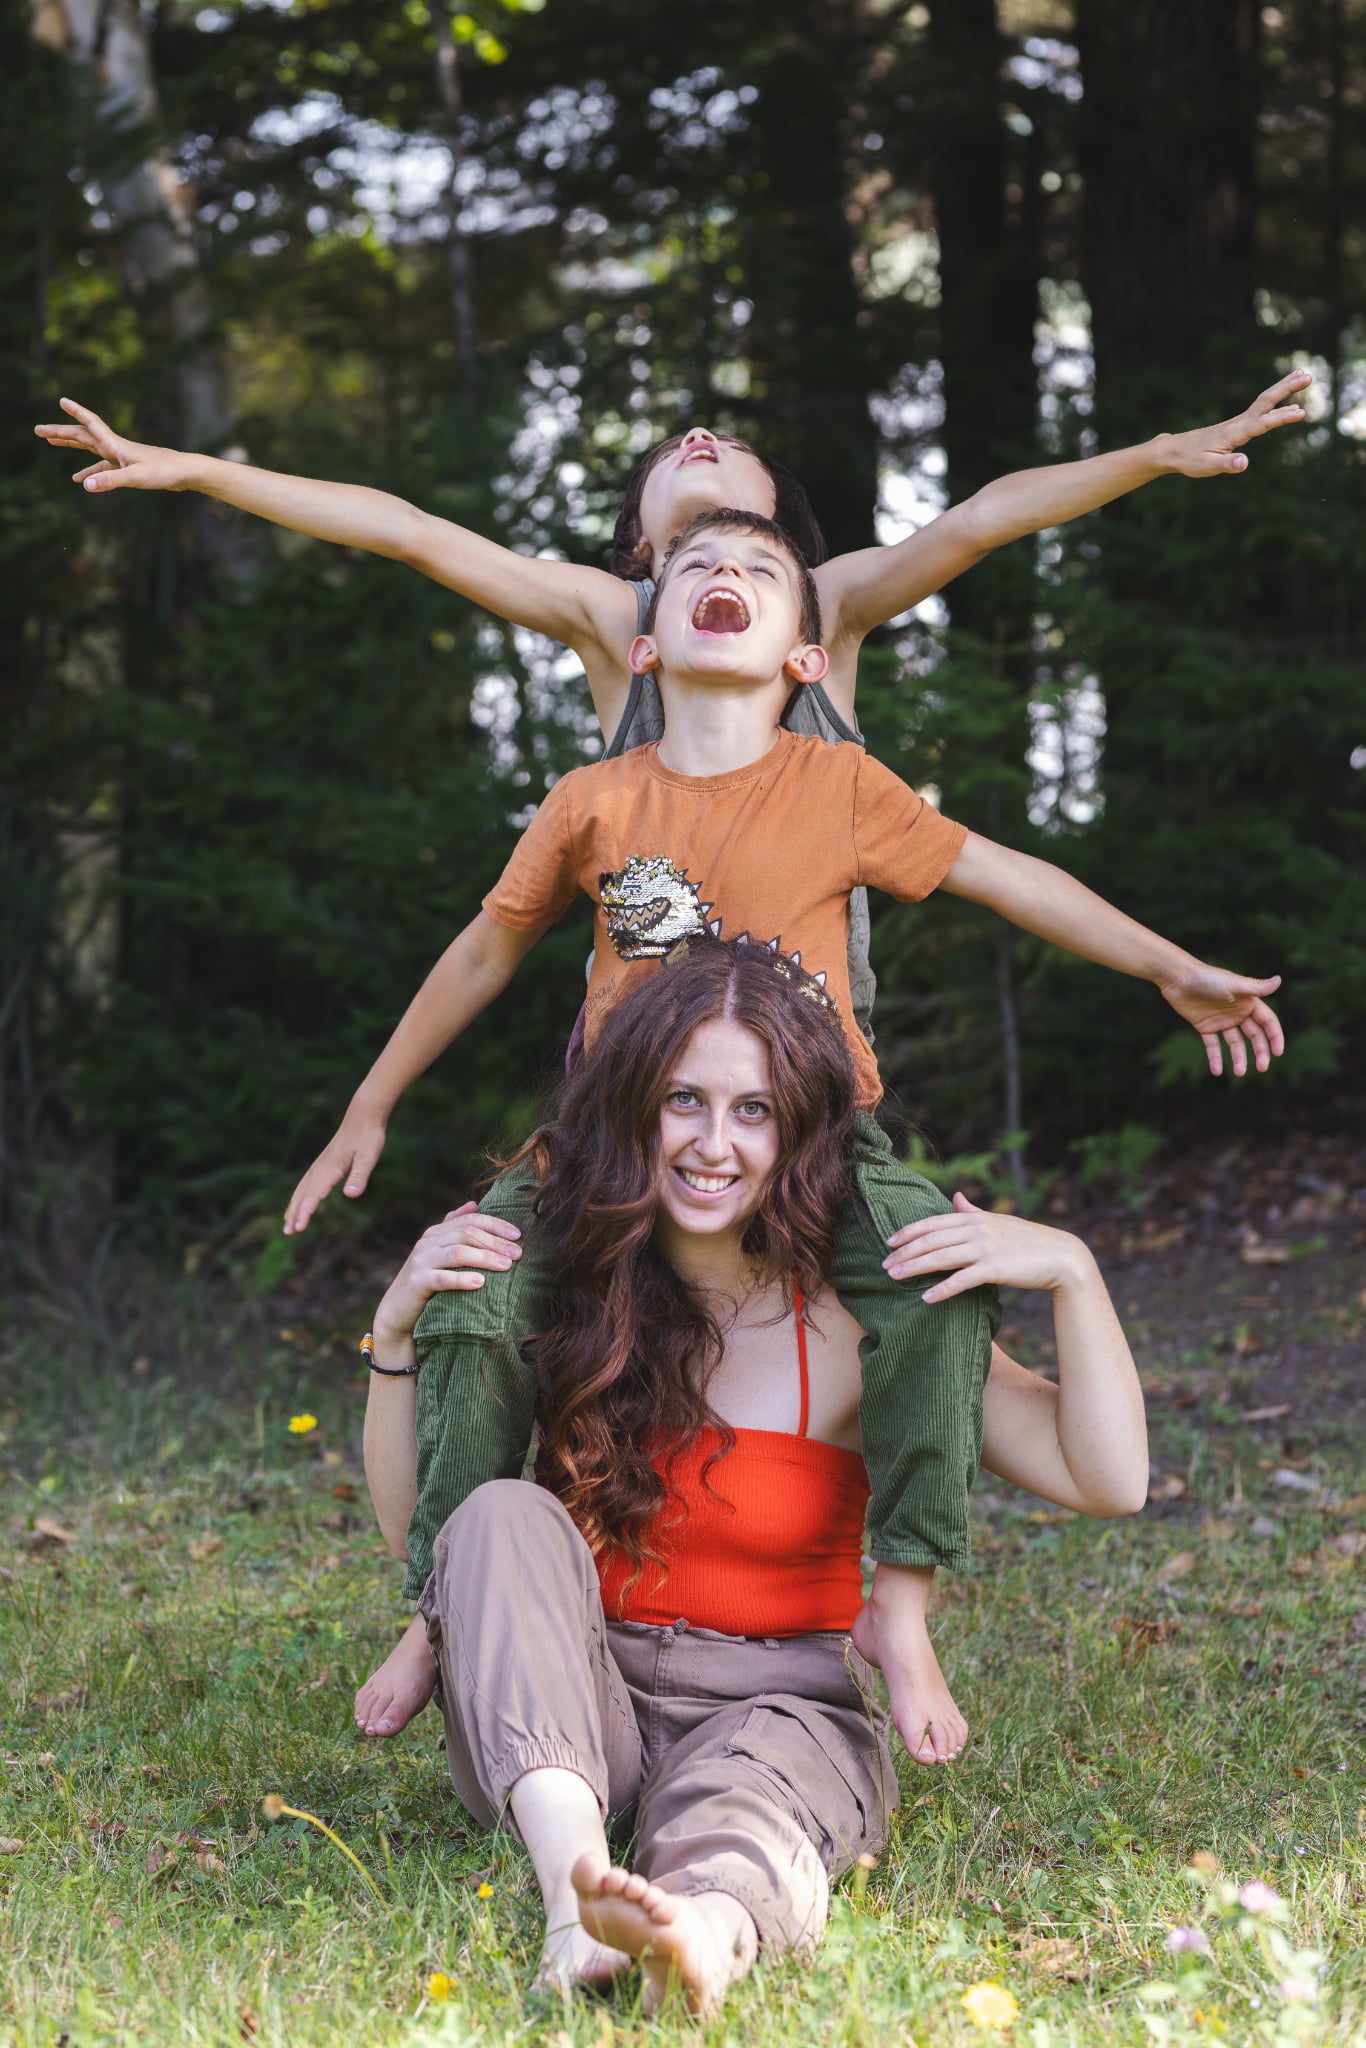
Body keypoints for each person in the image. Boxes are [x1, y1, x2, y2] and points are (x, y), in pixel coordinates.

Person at [304, 503, 1279, 1758]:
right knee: (476, 1293)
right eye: (695, 565)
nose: (724, 572)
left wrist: (1167, 965)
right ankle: (443, 1607)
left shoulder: (838, 784)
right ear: (643, 643)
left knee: (933, 1280)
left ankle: (902, 1606)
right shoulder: (595, 798)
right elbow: (485, 949)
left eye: (760, 568)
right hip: (614, 1138)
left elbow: (1007, 874)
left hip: (819, 1137)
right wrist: (370, 1100)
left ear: (806, 658)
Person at [35, 375, 1308, 1052]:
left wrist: (1152, 454)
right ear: (642, 553)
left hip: (813, 1031)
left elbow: (982, 516)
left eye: (721, 450)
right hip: (643, 1029)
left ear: (784, 542)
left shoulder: (828, 604)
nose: (694, 436)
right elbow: (410, 530)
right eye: (667, 460)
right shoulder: (617, 618)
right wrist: (201, 471)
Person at [355, 939, 1149, 2015]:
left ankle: (703, 1934)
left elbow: (1107, 1478)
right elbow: (433, 1537)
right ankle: (572, 1911)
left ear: (800, 1131)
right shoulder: (567, 1296)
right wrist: (396, 1329)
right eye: (683, 1100)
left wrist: (1073, 1272)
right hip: (574, 1703)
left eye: (754, 1110)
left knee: (749, 1807)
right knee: (498, 1512)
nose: (713, 1143)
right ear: (633, 1109)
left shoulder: (861, 1317)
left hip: (781, 1702)